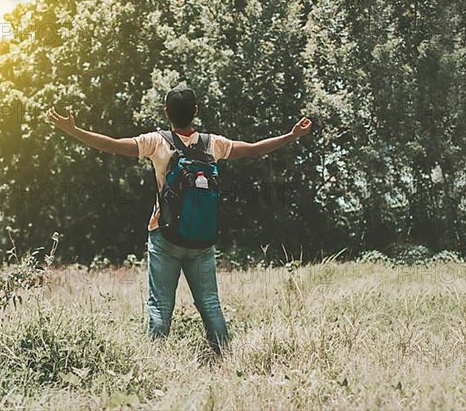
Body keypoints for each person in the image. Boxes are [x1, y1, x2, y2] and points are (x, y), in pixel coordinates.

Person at [45, 85, 312, 354]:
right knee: (210, 303)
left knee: (160, 306)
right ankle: (224, 358)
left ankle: (157, 362)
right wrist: (292, 135)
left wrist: (75, 131)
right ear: (195, 111)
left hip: (165, 236)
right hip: (202, 239)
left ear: (165, 112)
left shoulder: (157, 141)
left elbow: (113, 146)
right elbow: (254, 149)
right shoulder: (213, 144)